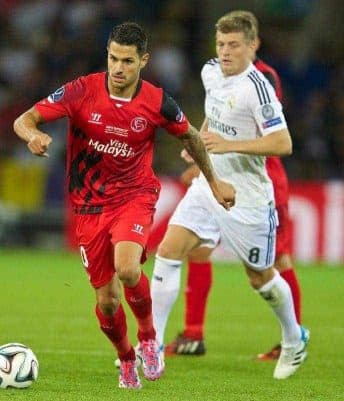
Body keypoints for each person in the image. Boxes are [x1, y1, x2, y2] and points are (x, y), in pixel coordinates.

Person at [14, 22, 235, 389]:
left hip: (134, 195)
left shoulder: (156, 101)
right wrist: (33, 135)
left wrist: (212, 181)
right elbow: (25, 119)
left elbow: (192, 136)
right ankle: (126, 357)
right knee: (109, 301)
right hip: (88, 206)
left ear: (143, 61)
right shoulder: (82, 90)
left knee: (128, 268)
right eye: (113, 58)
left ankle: (149, 338)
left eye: (127, 61)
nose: (118, 68)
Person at [150, 11, 309, 380]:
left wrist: (227, 145)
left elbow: (283, 142)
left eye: (233, 45)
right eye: (221, 44)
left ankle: (293, 338)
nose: (225, 52)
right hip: (209, 185)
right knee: (169, 251)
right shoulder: (210, 72)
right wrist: (199, 144)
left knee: (262, 279)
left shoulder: (258, 88)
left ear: (250, 47)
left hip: (248, 196)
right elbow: (213, 115)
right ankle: (152, 345)